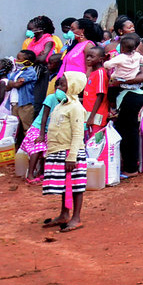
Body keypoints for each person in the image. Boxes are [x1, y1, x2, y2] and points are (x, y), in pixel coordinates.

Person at [39, 71, 87, 233]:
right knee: (64, 185)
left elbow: (78, 133)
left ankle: (76, 217)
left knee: (75, 185)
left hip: (70, 153)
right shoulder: (60, 105)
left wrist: (72, 156)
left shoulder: (75, 108)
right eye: (59, 84)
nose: (59, 87)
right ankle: (64, 213)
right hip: (58, 151)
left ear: (73, 86)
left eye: (63, 84)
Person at [106, 34, 143, 176]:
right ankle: (129, 165)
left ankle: (131, 168)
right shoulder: (138, 59)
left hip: (129, 96)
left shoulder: (121, 58)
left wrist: (123, 79)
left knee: (128, 130)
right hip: (135, 96)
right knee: (126, 128)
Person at [6, 50, 40, 146]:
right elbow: (8, 86)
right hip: (14, 103)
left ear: (27, 61)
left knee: (27, 128)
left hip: (25, 104)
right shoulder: (17, 72)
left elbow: (17, 84)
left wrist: (12, 83)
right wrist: (13, 83)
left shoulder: (30, 72)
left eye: (19, 58)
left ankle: (31, 148)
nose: (16, 60)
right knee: (14, 129)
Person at [82, 46, 109, 137]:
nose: (88, 59)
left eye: (92, 57)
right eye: (87, 56)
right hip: (89, 114)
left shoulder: (100, 73)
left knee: (95, 142)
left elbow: (100, 95)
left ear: (100, 59)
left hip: (97, 116)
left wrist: (91, 117)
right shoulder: (92, 73)